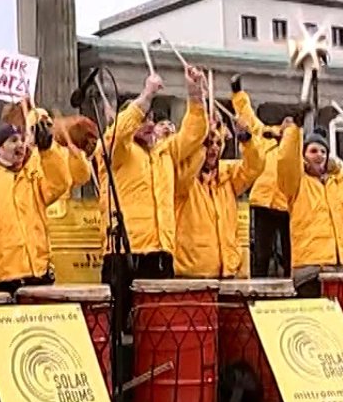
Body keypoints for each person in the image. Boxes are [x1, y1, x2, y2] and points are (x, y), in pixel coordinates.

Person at [0, 102, 80, 294]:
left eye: (22, 139)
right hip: (3, 276)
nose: (21, 145)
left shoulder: (31, 175)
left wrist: (48, 150)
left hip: (37, 271)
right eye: (13, 140)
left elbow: (60, 184)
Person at [102, 68, 208, 279]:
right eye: (143, 119)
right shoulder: (119, 151)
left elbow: (194, 135)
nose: (149, 124)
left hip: (161, 251)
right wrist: (146, 95)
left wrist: (196, 95)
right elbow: (119, 132)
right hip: (125, 253)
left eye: (151, 118)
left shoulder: (165, 151)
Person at [172, 93, 266, 279]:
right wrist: (200, 142)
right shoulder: (183, 177)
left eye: (217, 143)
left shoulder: (228, 176)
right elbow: (184, 174)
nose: (213, 148)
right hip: (193, 273)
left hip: (228, 271)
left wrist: (247, 140)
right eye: (209, 143)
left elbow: (255, 166)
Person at [274, 118, 343, 272]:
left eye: (323, 151)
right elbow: (286, 162)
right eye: (313, 151)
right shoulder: (296, 183)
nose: (319, 155)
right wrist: (294, 131)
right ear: (303, 156)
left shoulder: (342, 182)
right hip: (310, 265)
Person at [231, 80, 291, 277]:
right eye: (286, 122)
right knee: (261, 252)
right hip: (263, 201)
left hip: (286, 204)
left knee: (289, 250)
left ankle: (291, 284)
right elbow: (247, 115)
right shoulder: (265, 135)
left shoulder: (295, 149)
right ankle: (258, 286)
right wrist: (238, 92)